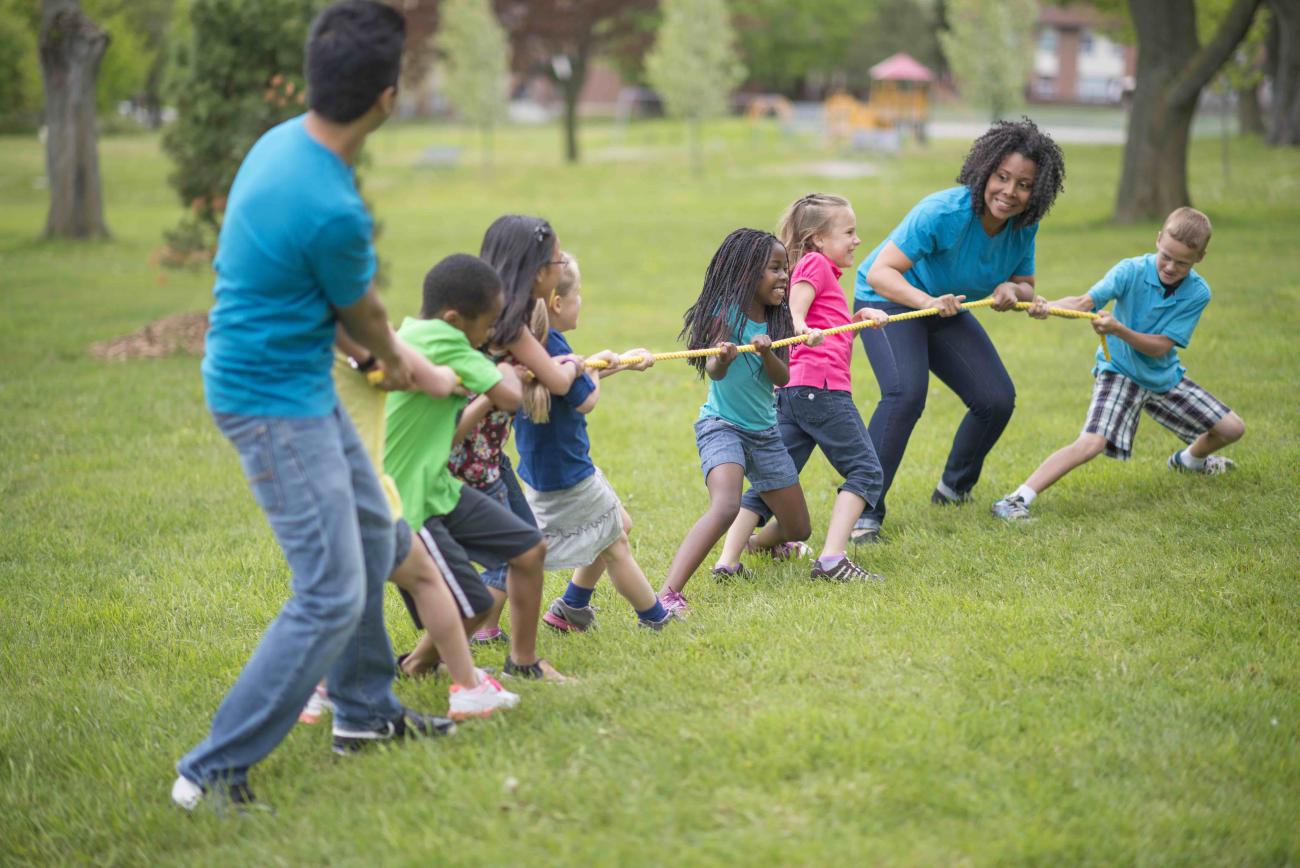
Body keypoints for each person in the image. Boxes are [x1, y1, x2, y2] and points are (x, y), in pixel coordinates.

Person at [173, 1, 449, 813]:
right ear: (387, 98)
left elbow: (321, 302)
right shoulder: (333, 207)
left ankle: (364, 713)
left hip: (292, 382)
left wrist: (371, 356)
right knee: (330, 589)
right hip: (271, 401)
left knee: (373, 539)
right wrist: (411, 368)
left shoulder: (281, 144)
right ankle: (211, 772)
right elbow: (366, 317)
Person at [850, 119, 1063, 543]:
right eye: (1002, 177)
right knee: (905, 395)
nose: (1009, 191)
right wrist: (926, 302)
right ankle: (863, 513)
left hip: (944, 306)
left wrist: (1012, 290)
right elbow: (880, 273)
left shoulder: (1024, 225)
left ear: (1037, 191)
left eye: (1024, 184)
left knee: (995, 399)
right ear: (985, 171)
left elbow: (1025, 285)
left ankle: (953, 489)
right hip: (888, 301)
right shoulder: (943, 211)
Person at [294, 328, 519, 724]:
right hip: (362, 490)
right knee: (360, 592)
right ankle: (464, 688)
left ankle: (330, 691)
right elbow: (435, 381)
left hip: (349, 485)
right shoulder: (370, 343)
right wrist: (454, 377)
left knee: (370, 590)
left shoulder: (332, 348)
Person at [384, 253, 570, 682]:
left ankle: (523, 662)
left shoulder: (413, 332)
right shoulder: (445, 342)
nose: (489, 335)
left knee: (529, 549)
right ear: (454, 319)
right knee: (472, 604)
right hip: (407, 498)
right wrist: (504, 370)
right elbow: (509, 396)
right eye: (486, 326)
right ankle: (419, 667)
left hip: (437, 486)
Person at [991, 207, 1244, 520]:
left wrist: (1119, 330)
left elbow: (1160, 347)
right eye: (1166, 256)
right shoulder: (1131, 270)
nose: (1170, 266)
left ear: (1199, 258)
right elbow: (1084, 303)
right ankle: (1016, 499)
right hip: (1119, 371)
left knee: (1232, 429)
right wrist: (1046, 306)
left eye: (1182, 263)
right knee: (1091, 443)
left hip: (1162, 377)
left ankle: (1188, 461)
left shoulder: (1198, 293)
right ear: (1158, 240)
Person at [715, 194, 889, 582]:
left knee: (772, 481)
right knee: (865, 470)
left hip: (796, 392)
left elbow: (829, 333)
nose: (857, 240)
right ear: (818, 239)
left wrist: (860, 319)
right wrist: (798, 324)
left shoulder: (824, 272)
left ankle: (728, 560)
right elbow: (797, 310)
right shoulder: (815, 264)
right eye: (848, 232)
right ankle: (832, 559)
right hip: (821, 391)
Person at [509, 254, 671, 631]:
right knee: (616, 545)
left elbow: (571, 385)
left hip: (548, 470)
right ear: (556, 303)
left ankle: (572, 607)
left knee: (618, 525)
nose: (581, 300)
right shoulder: (552, 344)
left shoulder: (531, 342)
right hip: (567, 473)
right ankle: (656, 618)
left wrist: (621, 363)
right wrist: (600, 369)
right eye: (577, 293)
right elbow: (585, 398)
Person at [659, 229, 813, 616]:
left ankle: (758, 544)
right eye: (775, 269)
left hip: (765, 434)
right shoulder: (724, 314)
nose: (784, 276)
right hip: (722, 426)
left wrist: (767, 353)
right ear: (747, 273)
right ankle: (668, 594)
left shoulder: (778, 318)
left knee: (799, 529)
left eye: (785, 268)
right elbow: (714, 369)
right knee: (726, 505)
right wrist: (723, 357)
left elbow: (782, 377)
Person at [448, 216, 584, 648]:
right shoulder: (512, 324)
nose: (561, 269)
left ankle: (514, 656)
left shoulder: (487, 314)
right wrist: (575, 364)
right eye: (557, 261)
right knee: (517, 554)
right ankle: (441, 652)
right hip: (471, 460)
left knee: (528, 549)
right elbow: (558, 383)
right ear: (536, 270)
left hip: (484, 454)